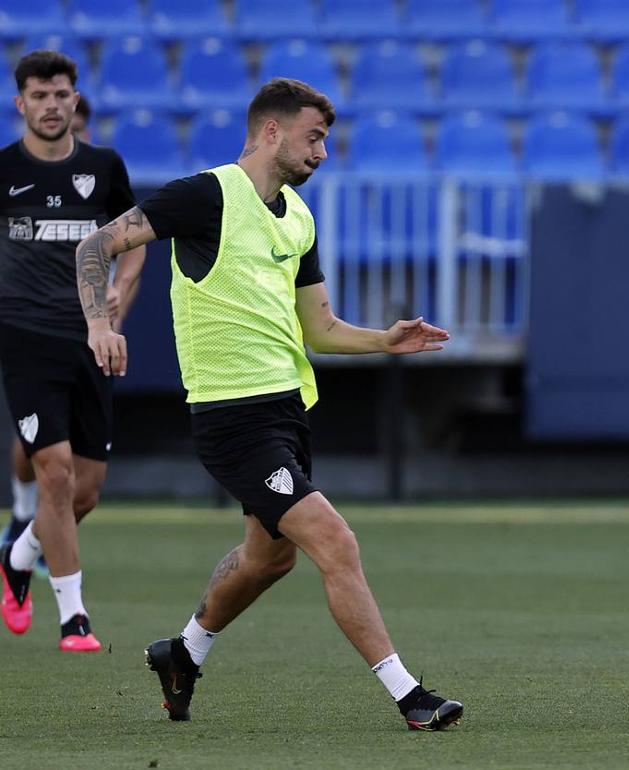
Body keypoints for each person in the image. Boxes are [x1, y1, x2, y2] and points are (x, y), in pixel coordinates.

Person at [74, 78, 463, 730]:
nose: (324, 153)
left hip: (287, 409)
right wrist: (98, 324)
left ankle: (183, 653)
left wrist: (385, 340)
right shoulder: (206, 194)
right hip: (232, 416)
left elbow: (321, 329)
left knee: (269, 557)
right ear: (272, 131)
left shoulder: (300, 217)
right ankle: (410, 698)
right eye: (315, 138)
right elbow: (95, 246)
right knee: (335, 542)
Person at [0, 50, 145, 651]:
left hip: (90, 340)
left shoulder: (104, 167)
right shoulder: (3, 169)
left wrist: (120, 299)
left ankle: (17, 554)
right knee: (53, 473)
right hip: (26, 336)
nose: (52, 105)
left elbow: (136, 240)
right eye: (40, 95)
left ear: (75, 98)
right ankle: (74, 617)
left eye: (62, 94)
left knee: (85, 492)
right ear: (21, 103)